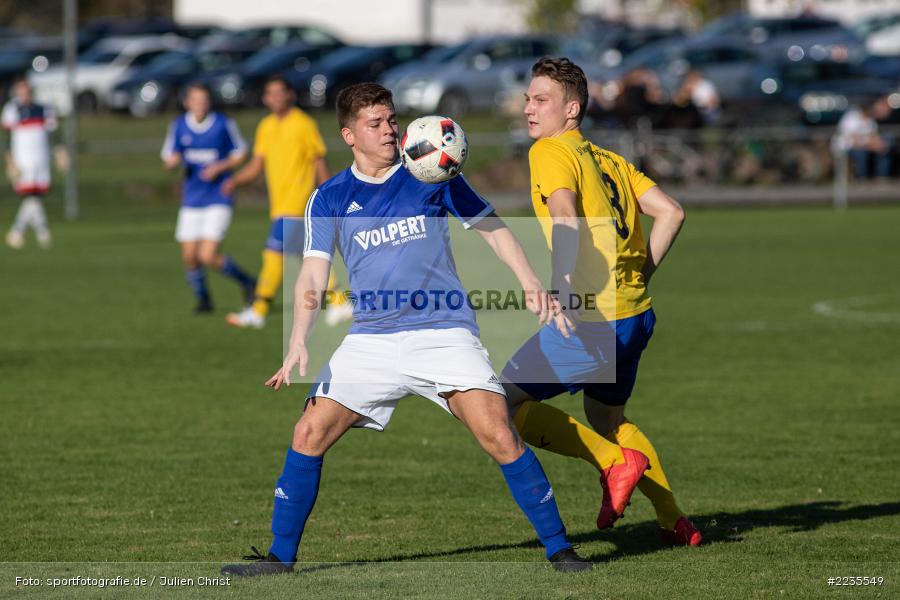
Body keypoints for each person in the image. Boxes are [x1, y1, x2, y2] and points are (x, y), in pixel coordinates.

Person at [221, 82, 592, 576]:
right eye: (375, 123)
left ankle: (561, 549)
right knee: (308, 431)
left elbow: (494, 229)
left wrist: (530, 284)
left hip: (443, 332)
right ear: (349, 135)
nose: (389, 130)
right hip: (369, 340)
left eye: (391, 120)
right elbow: (312, 272)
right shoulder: (329, 197)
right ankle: (279, 558)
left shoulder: (431, 171)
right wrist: (297, 342)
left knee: (499, 434)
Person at [501, 57, 701, 546]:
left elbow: (564, 214)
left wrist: (561, 282)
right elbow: (671, 213)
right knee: (608, 419)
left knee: (499, 401)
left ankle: (614, 464)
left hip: (594, 317)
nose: (529, 108)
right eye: (528, 99)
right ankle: (673, 521)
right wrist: (640, 275)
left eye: (541, 100)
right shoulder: (608, 159)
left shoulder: (550, 151)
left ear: (571, 109)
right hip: (635, 314)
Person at [223, 75, 351, 329]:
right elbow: (257, 165)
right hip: (279, 205)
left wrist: (329, 194)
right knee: (308, 257)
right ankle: (339, 301)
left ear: (290, 94)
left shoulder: (303, 124)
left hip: (297, 202)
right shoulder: (266, 126)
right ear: (265, 99)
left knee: (273, 254)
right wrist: (234, 181)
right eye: (271, 93)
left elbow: (318, 160)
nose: (276, 97)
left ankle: (258, 310)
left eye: (280, 92)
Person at [161, 83, 256, 314]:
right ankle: (204, 300)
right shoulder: (179, 125)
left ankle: (249, 283)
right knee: (189, 257)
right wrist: (172, 163)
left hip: (218, 197)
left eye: (204, 100)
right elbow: (169, 158)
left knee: (207, 255)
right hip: (192, 199)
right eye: (195, 100)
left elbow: (241, 153)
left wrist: (219, 167)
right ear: (187, 103)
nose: (200, 104)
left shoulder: (223, 124)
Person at [3, 78, 57, 250]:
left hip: (40, 159)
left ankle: (28, 232)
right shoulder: (12, 110)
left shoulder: (43, 109)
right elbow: (6, 137)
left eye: (27, 92)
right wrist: (9, 160)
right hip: (22, 160)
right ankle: (31, 232)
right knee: (31, 196)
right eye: (21, 92)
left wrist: (59, 151)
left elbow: (54, 133)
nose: (25, 95)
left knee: (35, 196)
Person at [833, 96, 893, 180]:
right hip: (846, 147)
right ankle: (861, 180)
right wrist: (870, 144)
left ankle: (881, 179)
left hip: (864, 147)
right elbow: (852, 139)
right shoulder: (852, 116)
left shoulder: (871, 121)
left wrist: (879, 145)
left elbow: (873, 137)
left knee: (883, 150)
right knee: (861, 154)